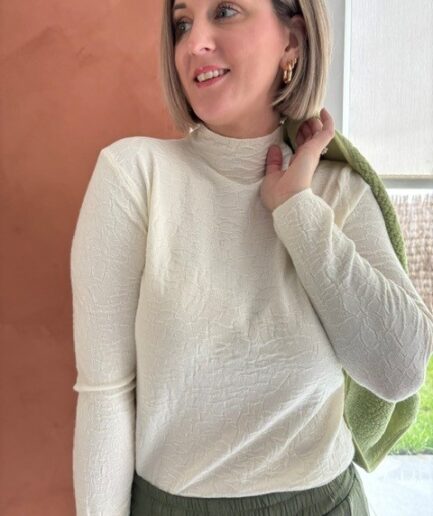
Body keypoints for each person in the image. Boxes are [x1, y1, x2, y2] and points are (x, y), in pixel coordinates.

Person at [70, 0, 433, 514]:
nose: (194, 43)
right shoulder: (135, 175)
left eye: (225, 11)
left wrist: (296, 209)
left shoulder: (338, 189)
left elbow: (399, 371)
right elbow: (105, 395)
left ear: (293, 40)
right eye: (181, 24)